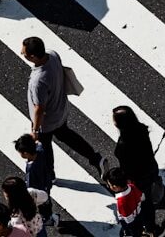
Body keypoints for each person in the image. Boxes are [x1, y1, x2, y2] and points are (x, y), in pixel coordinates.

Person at [21, 37, 106, 179]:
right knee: (67, 136)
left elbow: (39, 108)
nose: (22, 53)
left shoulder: (38, 81)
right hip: (61, 110)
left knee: (45, 147)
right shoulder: (53, 55)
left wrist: (35, 130)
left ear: (33, 56)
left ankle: (49, 174)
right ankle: (96, 158)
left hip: (47, 122)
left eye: (24, 53)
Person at [112, 106, 159, 234]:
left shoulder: (124, 143)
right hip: (149, 168)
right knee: (146, 198)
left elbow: (126, 165)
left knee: (143, 202)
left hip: (137, 177)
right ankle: (151, 227)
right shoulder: (141, 129)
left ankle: (150, 228)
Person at [14, 134, 59, 226]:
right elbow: (39, 143)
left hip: (39, 190)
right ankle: (50, 215)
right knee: (47, 202)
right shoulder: (40, 150)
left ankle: (50, 218)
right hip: (46, 183)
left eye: (20, 153)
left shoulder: (31, 169)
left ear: (25, 153)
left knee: (43, 206)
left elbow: (30, 186)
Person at [104, 167, 154, 237]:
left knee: (132, 233)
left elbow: (127, 217)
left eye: (109, 185)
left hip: (129, 222)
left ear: (115, 187)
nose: (109, 186)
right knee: (139, 227)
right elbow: (142, 196)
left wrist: (129, 227)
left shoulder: (121, 201)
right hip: (138, 213)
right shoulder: (132, 186)